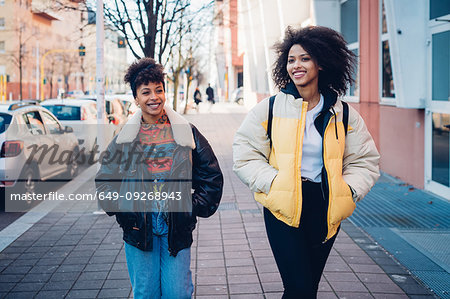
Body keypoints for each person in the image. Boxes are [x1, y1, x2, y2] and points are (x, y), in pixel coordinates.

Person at [232, 26, 380, 298]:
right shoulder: (272, 108)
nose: (295, 65)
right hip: (283, 206)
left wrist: (348, 191)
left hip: (325, 207)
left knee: (307, 288)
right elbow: (245, 153)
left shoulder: (344, 114)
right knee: (299, 287)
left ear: (321, 63)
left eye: (304, 58)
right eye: (291, 60)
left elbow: (365, 161)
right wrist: (273, 183)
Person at [96, 58, 223, 299]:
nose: (154, 97)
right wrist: (125, 211)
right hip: (139, 227)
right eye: (146, 92)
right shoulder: (125, 138)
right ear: (136, 98)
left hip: (176, 225)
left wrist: (191, 207)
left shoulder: (186, 131)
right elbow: (105, 181)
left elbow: (212, 176)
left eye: (159, 89)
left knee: (179, 293)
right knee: (146, 293)